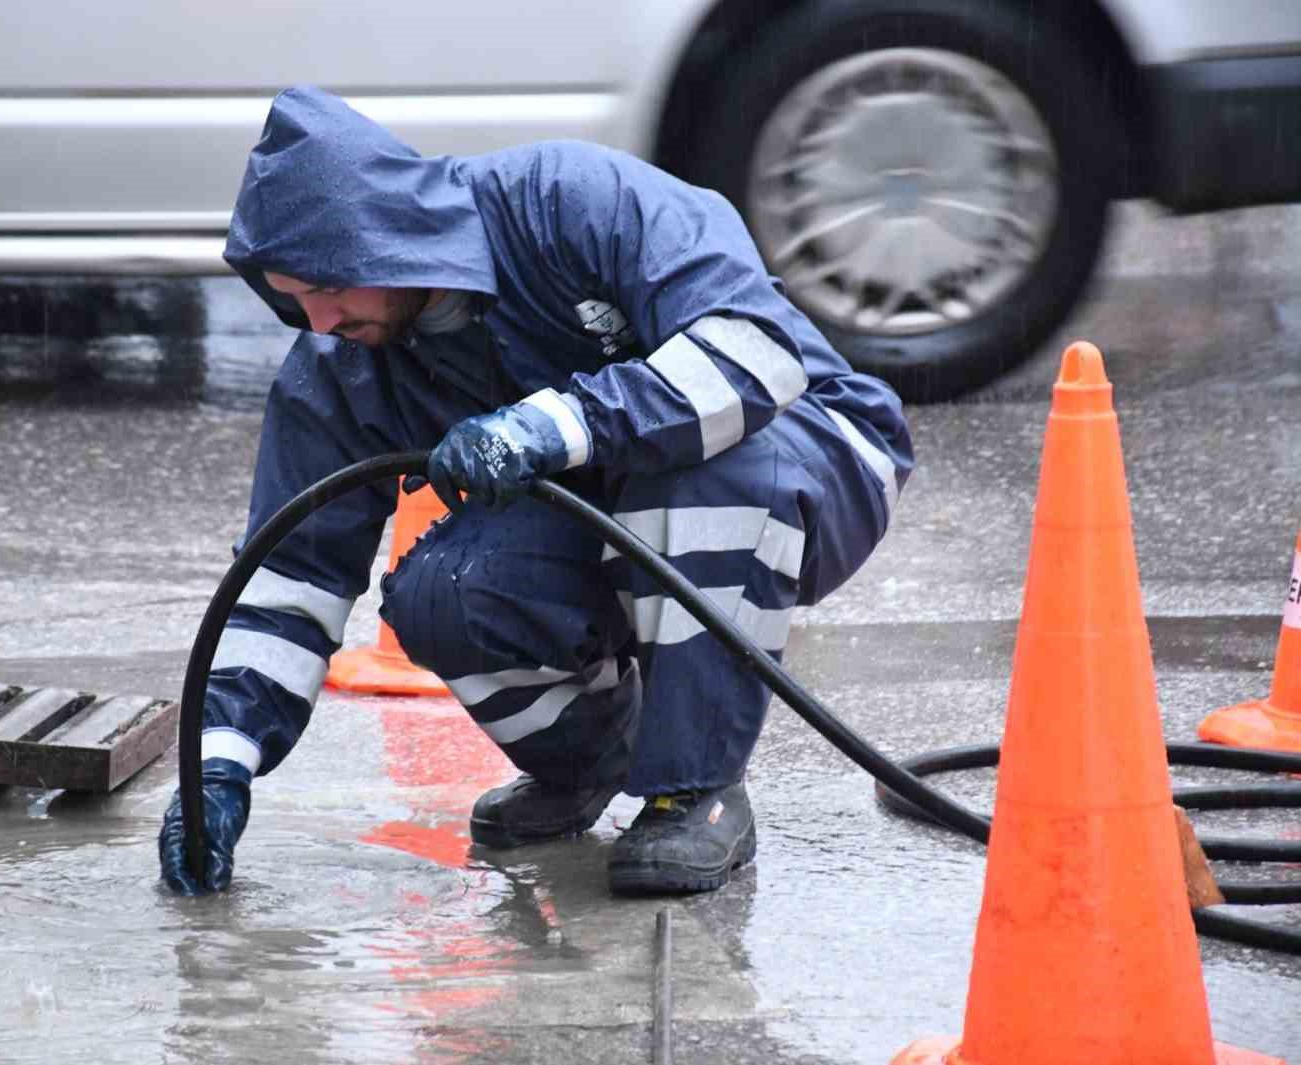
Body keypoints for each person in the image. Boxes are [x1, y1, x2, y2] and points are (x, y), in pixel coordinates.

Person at [159, 86, 912, 897]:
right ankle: (590, 762)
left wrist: (550, 426)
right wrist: (216, 769)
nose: (316, 319)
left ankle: (694, 790)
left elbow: (756, 353)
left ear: (378, 240)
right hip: (618, 511)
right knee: (444, 590)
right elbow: (285, 578)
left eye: (325, 286)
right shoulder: (342, 367)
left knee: (701, 469)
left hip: (814, 450)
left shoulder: (567, 200)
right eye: (291, 299)